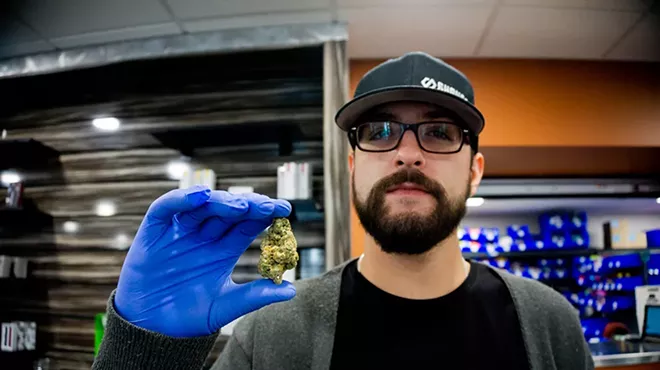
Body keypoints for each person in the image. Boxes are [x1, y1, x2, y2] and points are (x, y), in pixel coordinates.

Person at [93, 52, 593, 370]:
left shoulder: (551, 322)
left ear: (475, 170)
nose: (408, 153)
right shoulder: (272, 330)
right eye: (380, 132)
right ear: (352, 166)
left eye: (440, 132)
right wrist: (146, 353)